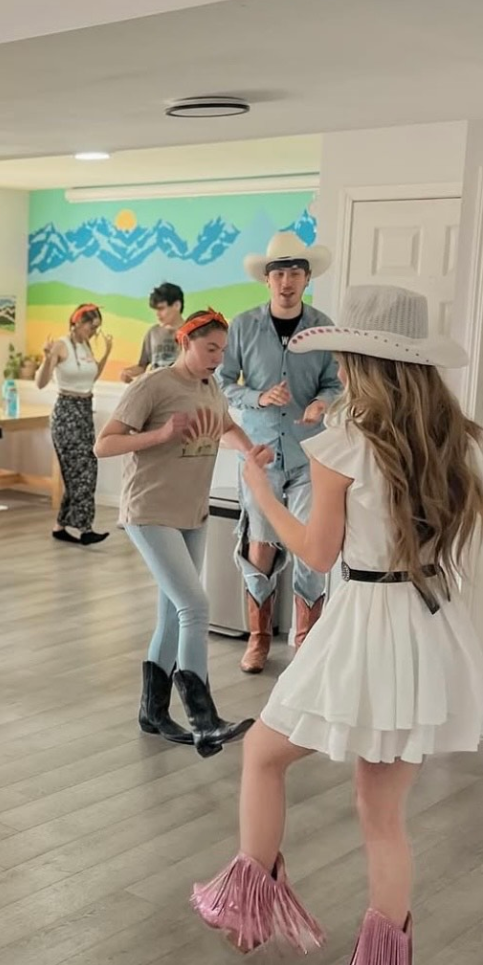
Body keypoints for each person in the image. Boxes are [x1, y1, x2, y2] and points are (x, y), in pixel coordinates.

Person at [190, 285, 483, 965]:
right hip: (428, 621)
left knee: (261, 754)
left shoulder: (345, 440)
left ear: (360, 359)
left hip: (365, 622)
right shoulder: (453, 440)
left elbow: (317, 552)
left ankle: (246, 905)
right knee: (383, 816)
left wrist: (257, 482)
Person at [93, 312, 270, 757]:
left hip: (192, 511)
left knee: (174, 613)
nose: (218, 358)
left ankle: (153, 713)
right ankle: (203, 720)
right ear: (184, 341)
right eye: (211, 349)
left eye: (223, 351)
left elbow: (225, 427)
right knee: (195, 606)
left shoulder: (210, 388)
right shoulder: (153, 386)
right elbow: (105, 444)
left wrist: (251, 453)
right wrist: (161, 434)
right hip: (150, 511)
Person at [220, 231, 341, 673]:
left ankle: (305, 641)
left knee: (313, 544)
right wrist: (257, 397)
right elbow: (222, 381)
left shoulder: (324, 327)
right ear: (266, 280)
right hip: (260, 453)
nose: (286, 281)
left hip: (311, 454)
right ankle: (258, 639)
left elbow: (335, 381)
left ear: (306, 278)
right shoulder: (242, 326)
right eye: (279, 274)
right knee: (261, 544)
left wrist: (322, 402)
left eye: (294, 273)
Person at [36, 303, 113, 543]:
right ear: (78, 323)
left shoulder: (85, 345)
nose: (94, 332)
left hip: (84, 411)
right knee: (83, 471)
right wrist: (48, 358)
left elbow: (91, 377)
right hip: (66, 413)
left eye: (98, 328)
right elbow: (40, 382)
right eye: (92, 326)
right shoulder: (62, 345)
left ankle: (60, 527)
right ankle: (85, 529)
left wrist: (107, 353)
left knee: (78, 471)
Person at [120, 283, 187, 382]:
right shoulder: (152, 333)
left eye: (161, 308)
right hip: (155, 390)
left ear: (177, 305)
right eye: (156, 310)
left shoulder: (193, 333)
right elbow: (142, 366)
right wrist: (128, 373)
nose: (157, 314)